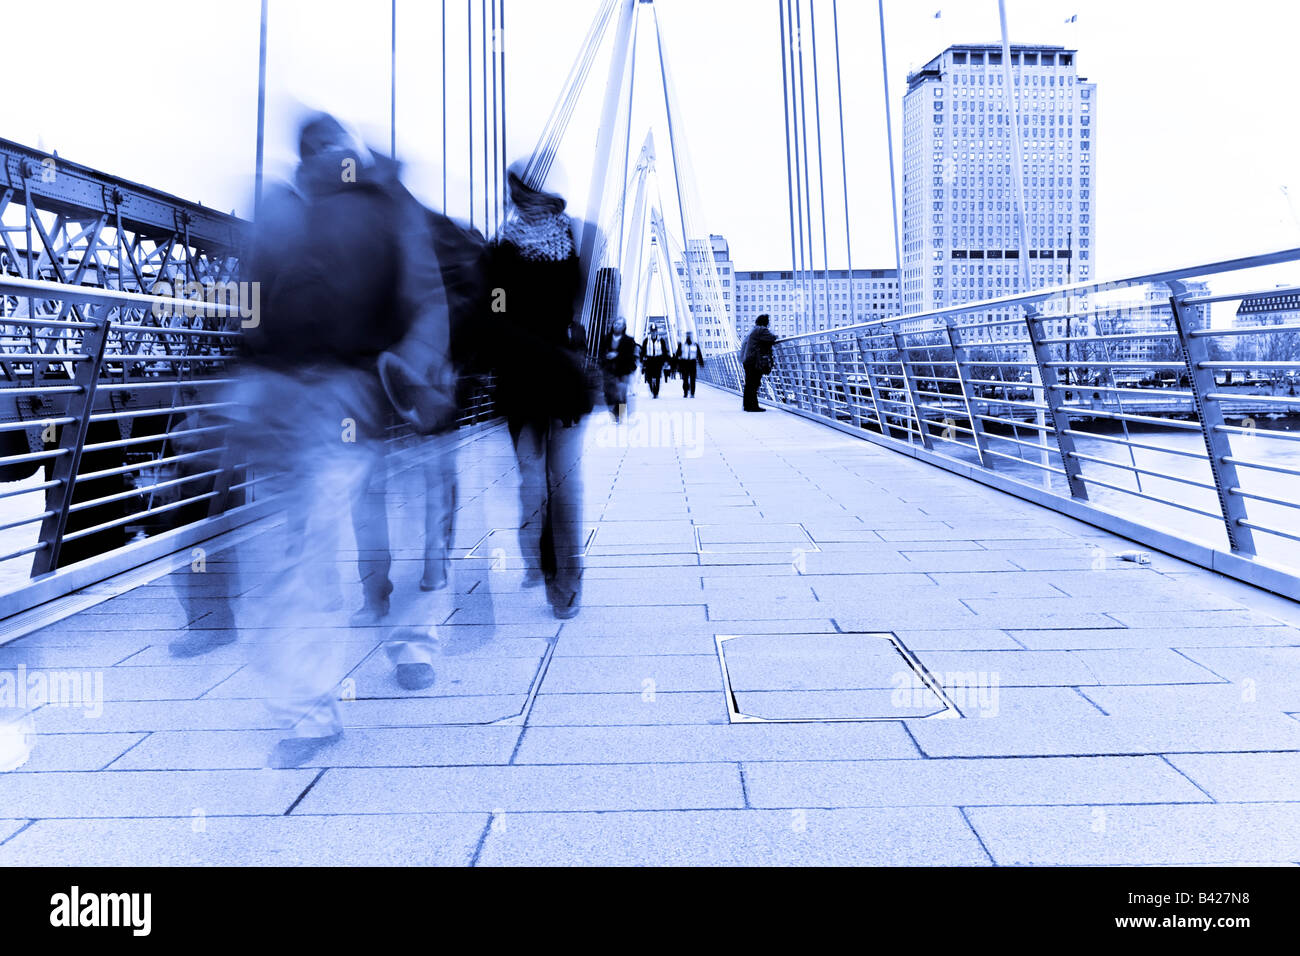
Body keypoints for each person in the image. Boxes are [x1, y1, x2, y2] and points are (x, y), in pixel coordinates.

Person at [233, 112, 452, 767]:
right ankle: (410, 646)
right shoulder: (388, 205)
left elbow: (246, 300)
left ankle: (307, 708)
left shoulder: (279, 209)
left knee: (299, 553)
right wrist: (412, 373)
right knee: (401, 529)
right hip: (365, 394)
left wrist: (251, 371)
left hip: (297, 399)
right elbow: (427, 299)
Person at [490, 162, 597, 620]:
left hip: (521, 375)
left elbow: (492, 314)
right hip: (561, 374)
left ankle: (543, 565)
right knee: (561, 481)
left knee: (535, 478)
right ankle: (564, 584)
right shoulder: (582, 236)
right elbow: (587, 307)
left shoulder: (499, 249)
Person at [600, 316, 638, 421]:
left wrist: (617, 355)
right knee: (609, 394)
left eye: (619, 324)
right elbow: (601, 353)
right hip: (608, 371)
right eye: (615, 323)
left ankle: (619, 415)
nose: (616, 326)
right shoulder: (605, 338)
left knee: (621, 394)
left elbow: (630, 356)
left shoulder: (629, 340)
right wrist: (604, 360)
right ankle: (613, 412)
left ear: (624, 326)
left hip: (623, 371)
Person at [741, 313, 778, 412]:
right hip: (753, 361)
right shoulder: (761, 329)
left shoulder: (754, 330)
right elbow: (772, 337)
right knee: (754, 383)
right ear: (765, 322)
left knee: (749, 384)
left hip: (748, 360)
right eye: (768, 322)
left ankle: (747, 405)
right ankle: (753, 406)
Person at [641, 324, 671, 398]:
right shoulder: (646, 340)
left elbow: (665, 351)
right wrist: (641, 360)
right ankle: (652, 389)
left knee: (657, 376)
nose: (653, 333)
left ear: (657, 331)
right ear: (650, 332)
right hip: (649, 360)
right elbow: (643, 351)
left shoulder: (661, 340)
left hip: (658, 360)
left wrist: (666, 361)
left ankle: (656, 393)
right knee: (649, 377)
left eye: (655, 331)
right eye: (652, 331)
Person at [675, 332, 705, 398]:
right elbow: (677, 354)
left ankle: (692, 393)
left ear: (691, 337)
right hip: (684, 363)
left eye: (690, 336)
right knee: (685, 379)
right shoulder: (682, 345)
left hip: (692, 363)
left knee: (693, 378)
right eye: (687, 336)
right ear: (686, 337)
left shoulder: (695, 345)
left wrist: (701, 363)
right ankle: (685, 392)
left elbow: (699, 354)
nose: (688, 337)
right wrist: (676, 364)